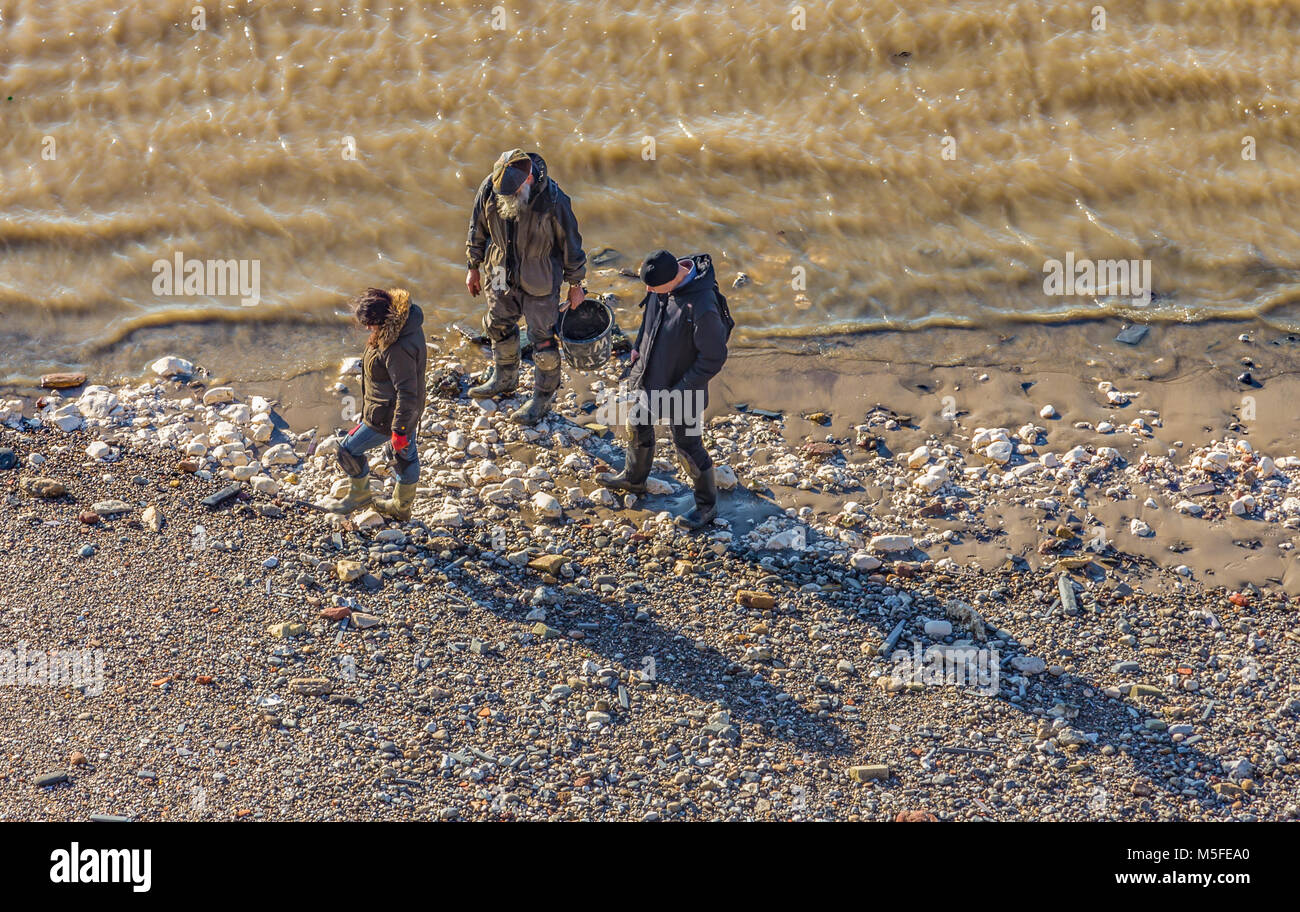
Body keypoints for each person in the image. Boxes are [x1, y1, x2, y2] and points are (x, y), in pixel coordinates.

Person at [597, 249, 729, 529]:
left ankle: (707, 507)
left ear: (673, 279)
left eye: (652, 286)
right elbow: (650, 321)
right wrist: (637, 349)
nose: (647, 290)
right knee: (637, 422)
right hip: (653, 377)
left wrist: (679, 390)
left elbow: (714, 358)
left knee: (688, 448)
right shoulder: (664, 287)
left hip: (685, 393)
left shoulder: (703, 307)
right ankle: (634, 480)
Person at [464, 148, 587, 426]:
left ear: (529, 178)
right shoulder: (490, 187)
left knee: (542, 339)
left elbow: (571, 244)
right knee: (496, 324)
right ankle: (504, 377)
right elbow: (476, 227)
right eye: (502, 193)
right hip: (498, 271)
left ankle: (543, 396)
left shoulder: (553, 200)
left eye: (512, 192)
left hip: (540, 276)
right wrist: (472, 265)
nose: (505, 197)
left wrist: (576, 283)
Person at [329, 287, 427, 521]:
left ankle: (361, 494)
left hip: (388, 415)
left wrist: (399, 430)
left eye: (369, 324)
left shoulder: (396, 347)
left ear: (382, 319)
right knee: (405, 456)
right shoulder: (406, 324)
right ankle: (401, 508)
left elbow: (406, 391)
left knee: (348, 450)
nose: (366, 328)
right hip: (404, 412)